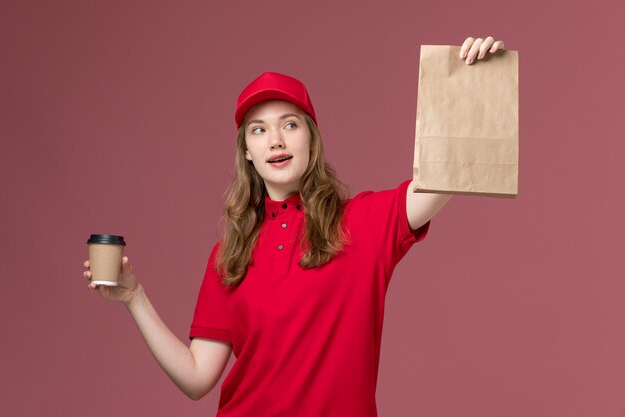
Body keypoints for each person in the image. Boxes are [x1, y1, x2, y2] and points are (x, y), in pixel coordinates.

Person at [82, 36, 505, 416]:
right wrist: (134, 297)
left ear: (311, 138)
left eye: (289, 124)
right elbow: (196, 378)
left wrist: (473, 85)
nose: (276, 141)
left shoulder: (363, 222)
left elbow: (447, 176)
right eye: (259, 130)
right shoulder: (229, 255)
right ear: (247, 151)